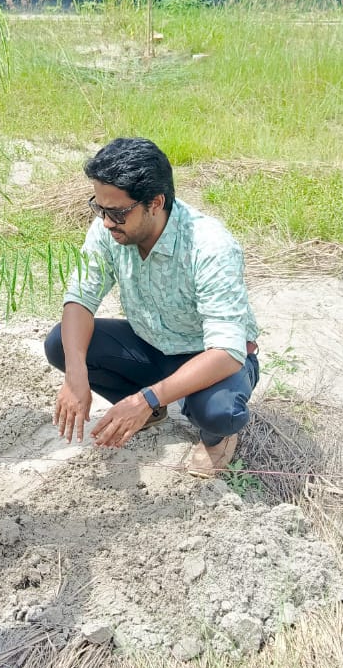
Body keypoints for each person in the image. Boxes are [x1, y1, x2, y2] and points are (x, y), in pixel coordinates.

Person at [45, 137, 260, 477]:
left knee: (219, 412)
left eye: (117, 213)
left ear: (155, 203)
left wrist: (145, 399)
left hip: (207, 355)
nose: (106, 222)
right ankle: (152, 408)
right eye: (99, 208)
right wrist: (75, 377)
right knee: (61, 344)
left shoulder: (210, 246)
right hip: (149, 345)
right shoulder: (109, 230)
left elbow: (227, 352)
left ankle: (216, 437)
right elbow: (80, 299)